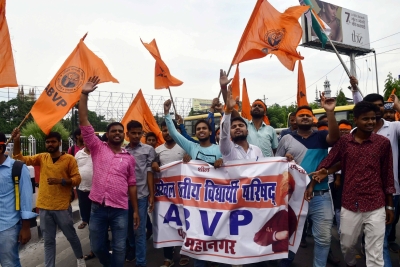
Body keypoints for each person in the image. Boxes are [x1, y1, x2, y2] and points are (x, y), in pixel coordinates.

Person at [312, 101, 395, 267]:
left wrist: (389, 206)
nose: (370, 122)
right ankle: (351, 263)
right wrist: (322, 173)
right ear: (356, 120)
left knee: (375, 253)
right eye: (366, 119)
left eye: (373, 119)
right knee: (347, 245)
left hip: (375, 203)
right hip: (350, 203)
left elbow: (388, 175)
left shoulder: (382, 143)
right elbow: (330, 160)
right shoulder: (344, 142)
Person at [78, 76, 139, 267]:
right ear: (108, 134)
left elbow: (132, 185)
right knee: (97, 247)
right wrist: (84, 95)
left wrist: (136, 210)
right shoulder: (97, 147)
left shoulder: (129, 158)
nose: (118, 133)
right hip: (97, 208)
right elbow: (84, 121)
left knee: (120, 248)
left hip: (120, 209)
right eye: (114, 131)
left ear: (124, 135)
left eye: (121, 131)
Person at [276, 92, 340, 267]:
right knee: (288, 235)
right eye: (300, 115)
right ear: (294, 120)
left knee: (324, 238)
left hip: (320, 195)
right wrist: (285, 159)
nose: (304, 117)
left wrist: (330, 112)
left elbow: (335, 138)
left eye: (308, 115)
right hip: (293, 197)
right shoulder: (286, 138)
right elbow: (276, 165)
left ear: (313, 119)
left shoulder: (321, 136)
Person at [12, 129, 85, 267]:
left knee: (71, 236)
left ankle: (80, 258)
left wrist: (62, 181)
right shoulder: (42, 157)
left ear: (59, 143)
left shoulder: (69, 159)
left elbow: (77, 179)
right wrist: (16, 141)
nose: (50, 144)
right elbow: (19, 158)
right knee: (48, 241)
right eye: (48, 142)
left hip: (62, 206)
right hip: (44, 207)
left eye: (53, 141)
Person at [164, 99, 223, 267]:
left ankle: (216, 259)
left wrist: (222, 161)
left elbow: (230, 167)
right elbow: (175, 134)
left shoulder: (220, 149)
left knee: (216, 235)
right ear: (196, 133)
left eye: (204, 128)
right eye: (198, 129)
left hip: (216, 200)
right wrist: (167, 114)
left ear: (210, 131)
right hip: (196, 203)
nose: (201, 130)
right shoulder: (191, 147)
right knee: (198, 236)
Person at [351, 79, 400, 267]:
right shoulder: (357, 132)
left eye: (381, 106)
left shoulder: (394, 127)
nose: (378, 109)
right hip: (364, 192)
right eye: (374, 106)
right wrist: (355, 90)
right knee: (376, 241)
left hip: (391, 192)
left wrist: (398, 106)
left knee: (381, 240)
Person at [152, 120, 190, 267]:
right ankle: (168, 257)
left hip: (184, 193)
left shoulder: (184, 147)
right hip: (165, 195)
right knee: (166, 224)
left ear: (176, 130)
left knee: (184, 222)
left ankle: (184, 252)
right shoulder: (157, 150)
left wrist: (190, 159)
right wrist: (154, 163)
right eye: (164, 130)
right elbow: (154, 167)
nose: (167, 133)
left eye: (170, 130)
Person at [220, 70, 278, 157]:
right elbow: (229, 108)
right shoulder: (243, 124)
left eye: (260, 106)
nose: (257, 107)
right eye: (254, 106)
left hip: (266, 168)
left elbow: (275, 151)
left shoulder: (271, 130)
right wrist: (224, 88)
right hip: (247, 166)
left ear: (265, 111)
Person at [0, 132, 36, 267]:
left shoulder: (18, 168)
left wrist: (26, 227)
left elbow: (26, 200)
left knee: (9, 263)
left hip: (8, 227)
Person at [125, 120, 156, 266]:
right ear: (128, 134)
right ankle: (132, 251)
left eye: (139, 133)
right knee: (127, 229)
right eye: (134, 133)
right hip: (123, 198)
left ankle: (141, 263)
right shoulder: (122, 151)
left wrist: (151, 194)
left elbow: (150, 173)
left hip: (141, 196)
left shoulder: (148, 150)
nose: (137, 136)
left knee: (139, 232)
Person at [219, 85, 263, 161]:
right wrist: (228, 110)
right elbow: (224, 135)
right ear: (229, 133)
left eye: (241, 125)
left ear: (247, 131)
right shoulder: (228, 149)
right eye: (233, 127)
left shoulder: (257, 150)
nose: (237, 127)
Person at [75, 143, 96, 260]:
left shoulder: (99, 153)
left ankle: (104, 245)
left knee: (100, 221)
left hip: (98, 193)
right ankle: (94, 249)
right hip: (83, 192)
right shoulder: (78, 154)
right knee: (90, 223)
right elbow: (73, 170)